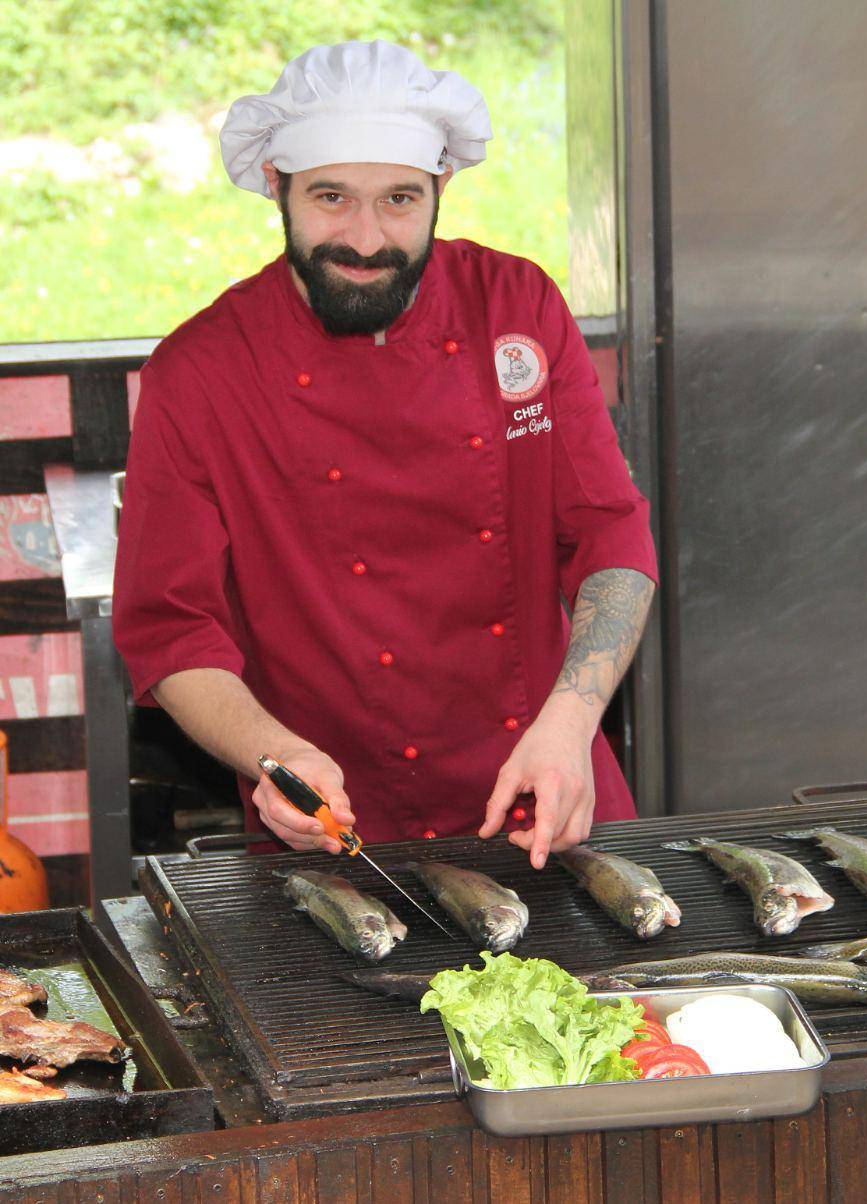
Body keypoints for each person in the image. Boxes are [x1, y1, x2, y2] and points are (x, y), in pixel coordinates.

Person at [112, 41, 657, 869]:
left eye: (400, 199)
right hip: (332, 828)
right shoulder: (200, 374)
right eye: (331, 197)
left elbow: (610, 539)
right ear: (275, 186)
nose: (366, 239)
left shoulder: (516, 308)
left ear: (440, 189)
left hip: (546, 795)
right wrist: (270, 754)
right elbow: (170, 630)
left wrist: (572, 721)